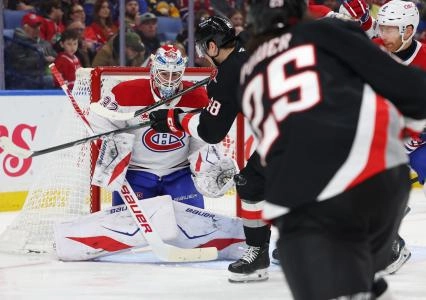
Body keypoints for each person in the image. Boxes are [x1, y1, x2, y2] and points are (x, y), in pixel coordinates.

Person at [236, 1, 426, 299]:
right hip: (377, 179)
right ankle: (379, 258)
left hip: (300, 201)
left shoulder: (247, 71)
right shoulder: (330, 30)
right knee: (359, 274)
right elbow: (414, 92)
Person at [149, 15, 272, 283]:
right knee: (254, 183)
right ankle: (263, 252)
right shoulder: (251, 48)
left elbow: (211, 132)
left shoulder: (227, 74)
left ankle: (377, 243)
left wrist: (174, 119)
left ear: (214, 47)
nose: (204, 54)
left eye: (205, 48)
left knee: (273, 185)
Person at [343, 0, 426, 275]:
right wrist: (364, 17)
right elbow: (366, 34)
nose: (385, 35)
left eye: (392, 30)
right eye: (383, 28)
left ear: (409, 30)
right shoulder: (379, 47)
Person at [89, 44, 214, 209]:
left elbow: (203, 134)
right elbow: (99, 116)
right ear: (154, 70)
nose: (169, 80)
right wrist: (115, 148)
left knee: (196, 225)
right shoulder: (126, 92)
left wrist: (205, 165)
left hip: (180, 173)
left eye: (175, 74)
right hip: (136, 174)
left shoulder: (198, 96)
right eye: (164, 73)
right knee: (126, 228)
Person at [5, 12, 57, 89]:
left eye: (38, 26)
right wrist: (43, 59)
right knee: (53, 80)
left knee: (69, 77)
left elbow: (55, 56)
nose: (38, 29)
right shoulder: (17, 44)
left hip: (46, 73)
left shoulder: (44, 43)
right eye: (34, 26)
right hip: (29, 78)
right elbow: (20, 65)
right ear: (25, 27)